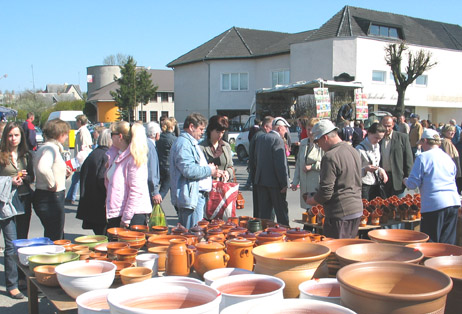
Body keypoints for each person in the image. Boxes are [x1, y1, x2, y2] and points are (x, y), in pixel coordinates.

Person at [305, 119, 363, 239]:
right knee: (348, 251)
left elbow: (326, 192)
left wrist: (313, 200)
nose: (318, 146)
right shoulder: (353, 151)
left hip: (339, 213)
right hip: (356, 210)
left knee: (336, 253)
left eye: (317, 142)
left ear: (325, 138)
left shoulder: (330, 156)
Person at [404, 129, 460, 244]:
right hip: (453, 202)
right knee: (447, 242)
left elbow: (413, 183)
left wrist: (405, 180)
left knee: (432, 241)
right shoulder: (447, 157)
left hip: (434, 204)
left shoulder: (423, 157)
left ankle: (430, 261)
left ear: (425, 141)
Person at [0, 122, 36, 299]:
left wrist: (25, 177)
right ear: (5, 136)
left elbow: (32, 177)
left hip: (24, 199)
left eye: (16, 135)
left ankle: (22, 279)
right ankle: (12, 284)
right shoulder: (1, 155)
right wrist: (10, 180)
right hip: (7, 203)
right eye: (10, 135)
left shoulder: (26, 155)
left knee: (22, 242)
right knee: (11, 245)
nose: (13, 139)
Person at [170, 113, 218, 229]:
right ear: (191, 127)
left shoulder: (190, 143)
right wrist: (209, 170)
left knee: (192, 233)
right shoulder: (184, 144)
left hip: (195, 196)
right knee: (192, 235)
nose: (202, 132)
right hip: (191, 198)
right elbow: (189, 170)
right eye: (201, 129)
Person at [105, 121, 152, 229]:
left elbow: (136, 191)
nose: (111, 138)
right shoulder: (116, 155)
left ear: (120, 136)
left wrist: (126, 218)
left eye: (112, 135)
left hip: (132, 216)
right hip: (118, 213)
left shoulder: (134, 159)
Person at [33, 119, 72, 241]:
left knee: (53, 233)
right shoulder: (51, 149)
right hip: (51, 198)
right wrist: (52, 183)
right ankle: (55, 258)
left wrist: (64, 173)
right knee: (56, 236)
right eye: (66, 134)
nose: (66, 137)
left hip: (45, 196)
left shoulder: (45, 148)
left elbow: (48, 168)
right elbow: (43, 168)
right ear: (61, 134)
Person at [254, 117, 290, 226]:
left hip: (261, 181)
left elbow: (255, 159)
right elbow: (280, 164)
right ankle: (285, 235)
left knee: (264, 215)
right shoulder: (277, 140)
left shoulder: (261, 138)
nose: (287, 131)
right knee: (281, 214)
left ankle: (265, 236)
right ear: (279, 128)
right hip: (275, 184)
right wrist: (284, 183)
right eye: (285, 129)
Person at [76, 129, 112, 235]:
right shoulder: (105, 155)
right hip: (99, 205)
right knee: (104, 237)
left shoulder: (95, 153)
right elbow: (102, 179)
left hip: (90, 203)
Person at [291, 117, 323, 210]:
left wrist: (312, 166)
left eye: (313, 129)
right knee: (307, 208)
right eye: (309, 129)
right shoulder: (303, 142)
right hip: (305, 183)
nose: (310, 132)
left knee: (315, 210)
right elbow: (298, 164)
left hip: (316, 183)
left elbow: (327, 164)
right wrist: (295, 182)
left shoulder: (321, 143)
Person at [380, 116, 413, 197]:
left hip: (398, 179)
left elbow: (408, 159)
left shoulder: (402, 138)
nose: (387, 128)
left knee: (398, 206)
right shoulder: (378, 138)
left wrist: (407, 178)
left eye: (389, 126)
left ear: (393, 125)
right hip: (382, 178)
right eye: (384, 126)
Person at [248, 116, 273, 217]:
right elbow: (259, 158)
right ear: (266, 127)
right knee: (262, 208)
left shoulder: (258, 135)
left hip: (257, 175)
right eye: (272, 127)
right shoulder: (261, 137)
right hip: (260, 177)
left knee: (259, 206)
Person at [356, 123, 389, 200]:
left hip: (376, 182)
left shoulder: (377, 146)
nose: (377, 140)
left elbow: (376, 163)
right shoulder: (359, 149)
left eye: (380, 139)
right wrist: (365, 169)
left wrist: (381, 170)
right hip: (364, 184)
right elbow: (353, 171)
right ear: (369, 133)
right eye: (376, 137)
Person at [65, 114, 92, 205]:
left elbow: (84, 145)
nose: (76, 123)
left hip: (81, 159)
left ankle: (71, 197)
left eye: (77, 121)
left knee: (77, 178)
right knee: (76, 178)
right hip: (81, 158)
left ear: (80, 122)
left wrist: (80, 156)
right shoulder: (83, 131)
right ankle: (70, 196)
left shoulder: (82, 131)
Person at [199, 115, 234, 182]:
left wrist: (228, 173)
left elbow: (231, 166)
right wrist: (211, 172)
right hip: (206, 188)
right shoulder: (201, 147)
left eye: (222, 132)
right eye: (218, 132)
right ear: (210, 130)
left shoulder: (226, 146)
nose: (220, 135)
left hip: (224, 187)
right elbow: (197, 170)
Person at [157, 117, 177, 199]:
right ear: (172, 127)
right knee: (164, 190)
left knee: (165, 188)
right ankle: (154, 205)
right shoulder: (173, 139)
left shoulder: (160, 138)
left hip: (161, 165)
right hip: (170, 167)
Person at [440, 124, 462, 193]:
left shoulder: (448, 141)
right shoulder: (445, 142)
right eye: (450, 131)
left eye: (454, 131)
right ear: (444, 131)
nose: (453, 132)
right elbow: (448, 157)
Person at [146, 121, 162, 206]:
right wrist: (155, 191)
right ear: (156, 135)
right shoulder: (151, 147)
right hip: (149, 188)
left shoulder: (145, 144)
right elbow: (152, 170)